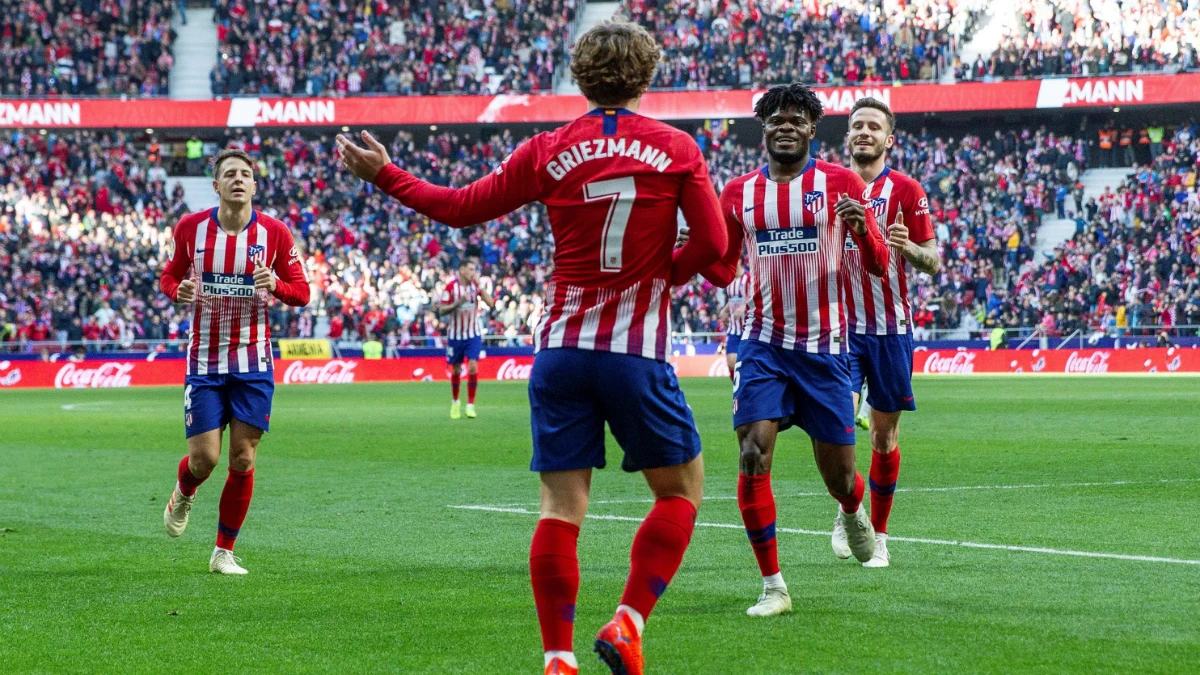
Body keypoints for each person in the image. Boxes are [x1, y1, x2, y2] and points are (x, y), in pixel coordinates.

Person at [336, 21, 727, 675]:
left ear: (578, 78)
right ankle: (628, 622)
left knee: (560, 507)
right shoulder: (677, 148)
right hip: (635, 352)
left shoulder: (549, 148)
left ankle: (557, 658)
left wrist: (387, 176)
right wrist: (665, 273)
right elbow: (714, 247)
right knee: (680, 491)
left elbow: (459, 207)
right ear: (647, 77)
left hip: (560, 354)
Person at [699, 83, 889, 617]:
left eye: (795, 119)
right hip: (762, 343)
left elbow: (876, 264)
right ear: (764, 129)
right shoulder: (738, 193)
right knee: (752, 454)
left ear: (812, 129)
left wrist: (864, 231)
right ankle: (774, 586)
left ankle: (854, 511)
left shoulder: (841, 182)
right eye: (774, 119)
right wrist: (683, 248)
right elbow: (721, 268)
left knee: (841, 479)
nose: (784, 126)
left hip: (826, 349)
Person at [159, 148, 311, 575]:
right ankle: (184, 491)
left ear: (255, 185)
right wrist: (178, 291)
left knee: (243, 459)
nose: (238, 180)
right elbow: (168, 275)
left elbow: (303, 293)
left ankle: (222, 552)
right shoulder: (190, 229)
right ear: (217, 185)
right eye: (230, 174)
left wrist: (277, 284)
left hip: (253, 362)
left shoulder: (276, 234)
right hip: (204, 362)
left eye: (246, 174)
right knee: (204, 459)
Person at [841, 97, 940, 568]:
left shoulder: (905, 189)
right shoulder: (825, 186)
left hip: (888, 330)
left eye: (873, 126)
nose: (864, 132)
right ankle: (848, 511)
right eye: (857, 125)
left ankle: (878, 535)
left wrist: (907, 249)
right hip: (836, 329)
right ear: (848, 136)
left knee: (882, 437)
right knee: (834, 431)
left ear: (888, 139)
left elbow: (933, 261)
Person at [439, 258, 495, 419]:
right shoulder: (451, 287)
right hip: (455, 335)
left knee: (472, 367)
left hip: (473, 334)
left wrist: (480, 286)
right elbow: (442, 310)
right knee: (456, 370)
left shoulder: (475, 287)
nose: (473, 273)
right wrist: (459, 302)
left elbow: (490, 303)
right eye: (470, 269)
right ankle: (455, 403)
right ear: (462, 270)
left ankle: (470, 405)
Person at [721, 259, 749, 381]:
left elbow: (757, 297)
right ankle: (737, 389)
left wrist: (744, 306)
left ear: (740, 261)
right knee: (731, 362)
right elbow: (732, 299)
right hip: (734, 329)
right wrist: (724, 310)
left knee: (747, 364)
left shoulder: (749, 278)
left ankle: (746, 389)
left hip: (749, 329)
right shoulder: (729, 280)